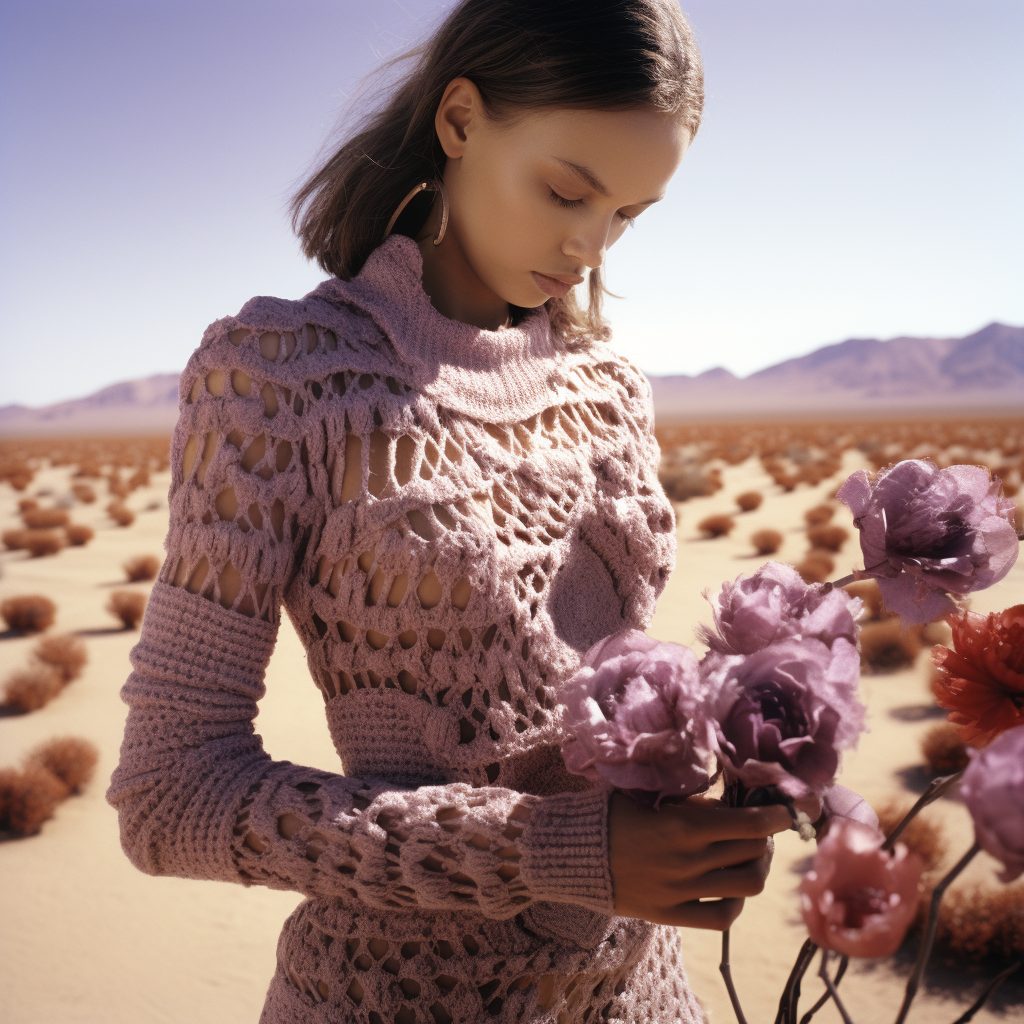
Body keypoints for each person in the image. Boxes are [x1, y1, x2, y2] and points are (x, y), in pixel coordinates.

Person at [106, 2, 793, 1021]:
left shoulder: (610, 382)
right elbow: (170, 795)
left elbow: (588, 688)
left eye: (628, 216)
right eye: (567, 189)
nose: (588, 245)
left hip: (639, 994)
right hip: (398, 994)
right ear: (461, 120)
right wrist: (552, 851)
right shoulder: (281, 377)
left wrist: (729, 765)